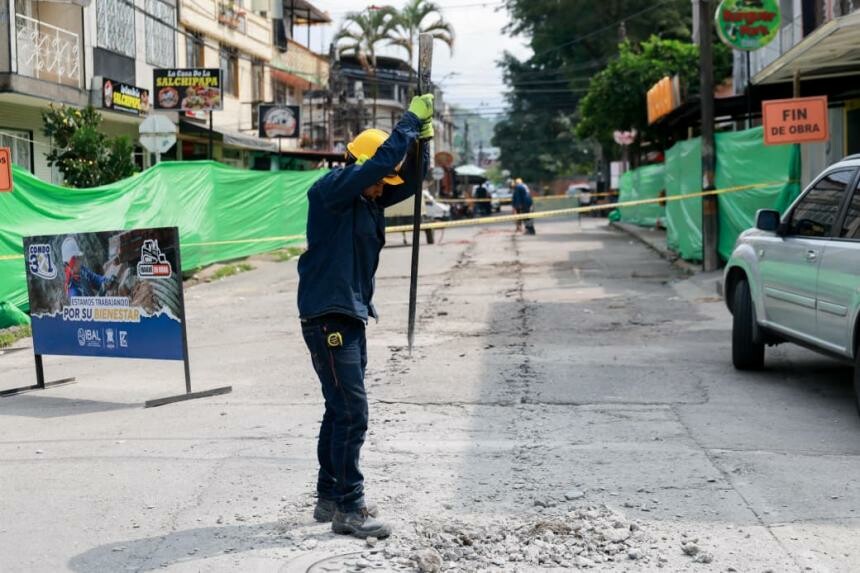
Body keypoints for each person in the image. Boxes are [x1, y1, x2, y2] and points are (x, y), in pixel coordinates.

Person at [296, 94, 433, 539]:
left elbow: (408, 182)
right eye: (377, 180)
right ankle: (349, 508)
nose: (381, 188)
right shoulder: (332, 190)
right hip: (328, 315)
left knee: (339, 409)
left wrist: (422, 143)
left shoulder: (367, 200)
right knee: (353, 412)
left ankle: (329, 497)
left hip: (349, 314)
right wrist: (408, 121)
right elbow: (379, 168)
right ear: (360, 164)